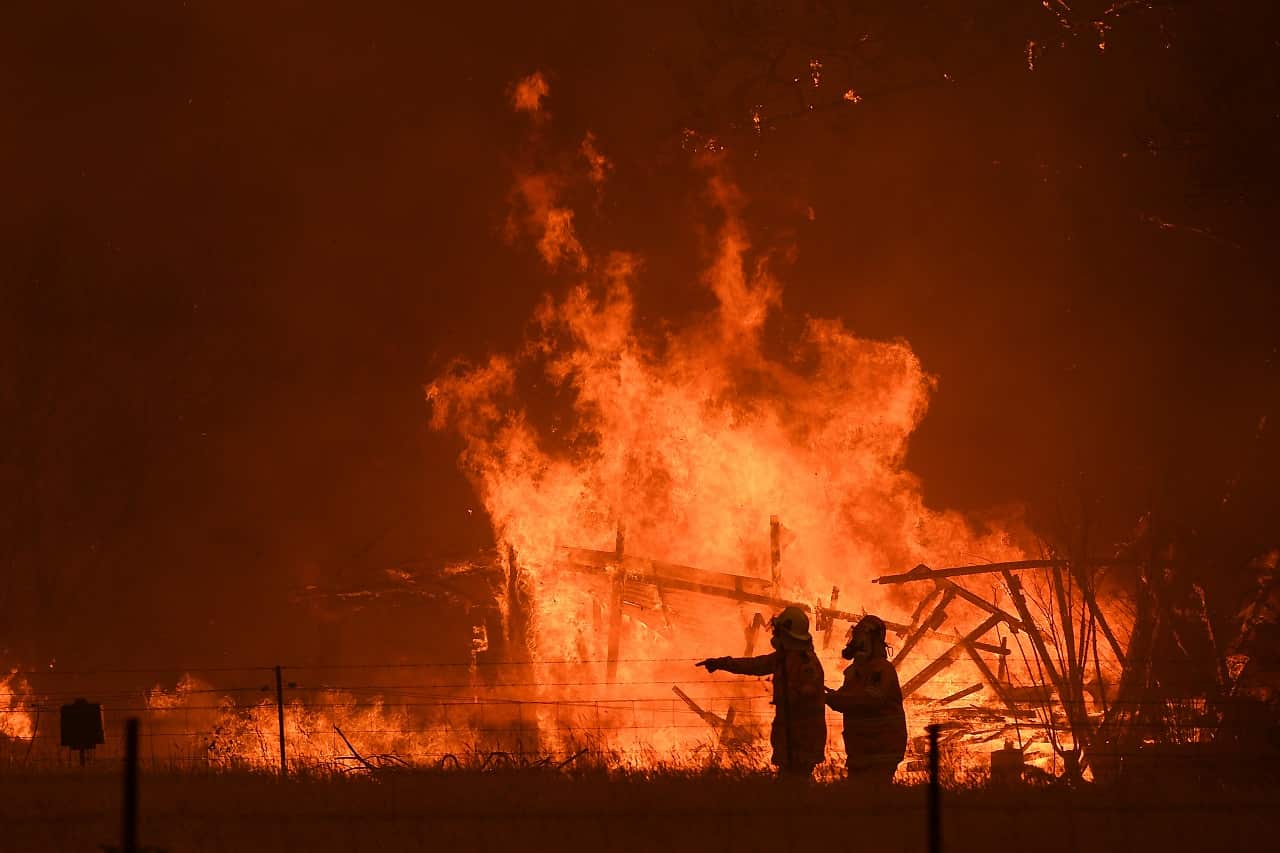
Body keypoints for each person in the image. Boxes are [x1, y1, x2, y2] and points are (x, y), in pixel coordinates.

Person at [696, 606, 826, 777]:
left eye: (778, 631)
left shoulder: (806, 664)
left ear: (787, 634)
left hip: (802, 741)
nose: (775, 635)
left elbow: (804, 701)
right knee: (790, 786)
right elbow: (755, 665)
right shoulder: (784, 658)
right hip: (788, 739)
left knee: (797, 785)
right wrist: (721, 663)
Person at [825, 614, 907, 784]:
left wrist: (836, 699)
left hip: (882, 749)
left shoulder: (882, 670)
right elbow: (849, 695)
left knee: (876, 799)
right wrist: (831, 697)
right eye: (859, 637)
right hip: (860, 749)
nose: (860, 642)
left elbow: (870, 700)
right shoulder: (853, 672)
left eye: (865, 637)